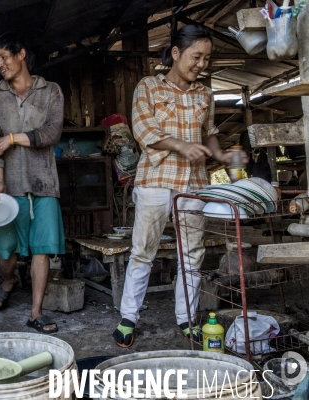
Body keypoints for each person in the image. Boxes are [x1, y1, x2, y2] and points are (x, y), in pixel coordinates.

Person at [112, 25, 248, 348]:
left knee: (192, 255)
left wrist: (221, 155)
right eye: (196, 56)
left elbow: (210, 132)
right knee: (144, 250)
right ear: (175, 53)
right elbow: (143, 130)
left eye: (206, 58)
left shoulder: (204, 94)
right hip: (156, 180)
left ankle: (187, 318)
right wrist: (181, 146)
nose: (201, 64)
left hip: (194, 183)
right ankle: (128, 317)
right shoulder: (148, 88)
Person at [0, 32, 65, 334]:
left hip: (44, 183)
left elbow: (51, 134)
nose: (0, 64)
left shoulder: (50, 91)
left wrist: (13, 138)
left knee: (41, 249)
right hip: (10, 186)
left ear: (21, 54)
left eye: (4, 56)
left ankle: (35, 313)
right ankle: (8, 280)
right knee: (5, 251)